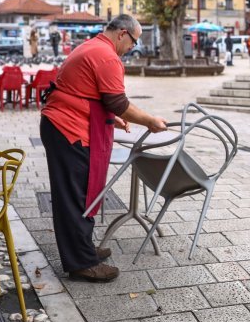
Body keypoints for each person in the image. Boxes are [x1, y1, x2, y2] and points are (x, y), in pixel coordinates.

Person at [40, 15, 168, 282]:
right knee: (75, 196)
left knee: (82, 191)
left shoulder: (92, 46)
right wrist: (150, 120)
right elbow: (117, 101)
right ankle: (81, 263)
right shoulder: (107, 56)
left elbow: (91, 94)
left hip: (63, 123)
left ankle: (83, 249)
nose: (133, 47)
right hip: (69, 129)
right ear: (122, 33)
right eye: (134, 41)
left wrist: (111, 118)